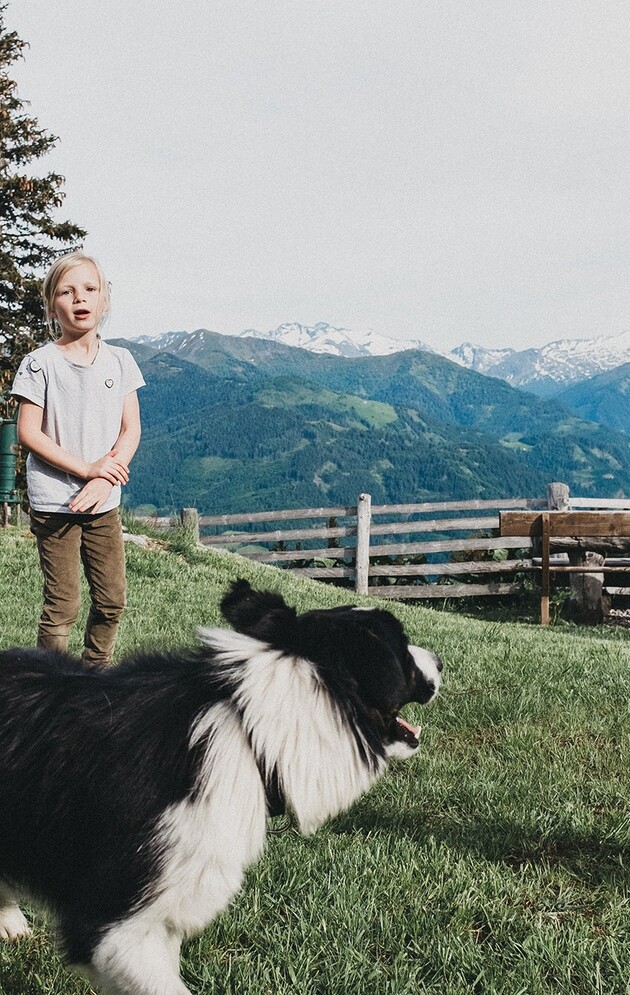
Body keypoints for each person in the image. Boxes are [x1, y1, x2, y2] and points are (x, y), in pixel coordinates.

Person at [11, 252, 145, 666]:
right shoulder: (40, 364)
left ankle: (94, 675)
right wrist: (86, 469)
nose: (80, 298)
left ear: (105, 301)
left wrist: (105, 480)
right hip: (56, 504)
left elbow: (131, 430)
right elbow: (27, 432)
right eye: (67, 292)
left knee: (112, 600)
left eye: (90, 289)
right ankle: (44, 687)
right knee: (62, 606)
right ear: (53, 306)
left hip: (103, 504)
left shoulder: (120, 360)